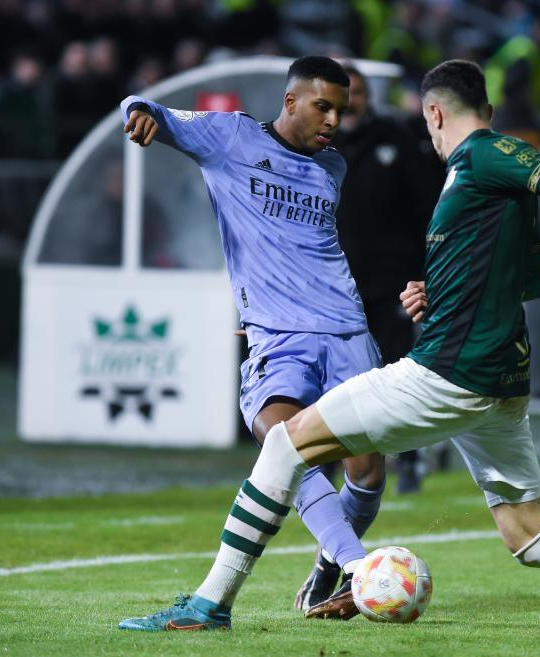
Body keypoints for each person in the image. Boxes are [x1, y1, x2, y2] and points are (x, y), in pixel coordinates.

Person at [118, 59, 540, 636]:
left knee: (285, 444)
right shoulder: (485, 187)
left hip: (447, 373)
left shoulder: (483, 157)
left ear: (432, 114)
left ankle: (212, 603)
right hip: (504, 387)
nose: (337, 121)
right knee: (530, 537)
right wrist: (447, 290)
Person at [116, 56, 386, 625]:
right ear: (290, 101)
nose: (333, 120)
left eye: (340, 110)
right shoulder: (230, 137)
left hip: (348, 330)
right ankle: (361, 569)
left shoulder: (332, 166)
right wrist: (138, 112)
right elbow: (152, 108)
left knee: (367, 474)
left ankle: (328, 569)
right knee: (283, 443)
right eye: (322, 107)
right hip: (280, 337)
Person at [334, 63, 445, 496]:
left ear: (368, 96)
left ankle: (411, 460)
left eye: (357, 93)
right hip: (336, 287)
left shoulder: (397, 140)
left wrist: (424, 273)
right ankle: (330, 459)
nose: (350, 103)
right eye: (343, 95)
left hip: (393, 283)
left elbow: (427, 211)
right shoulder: (316, 146)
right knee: (337, 379)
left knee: (399, 375)